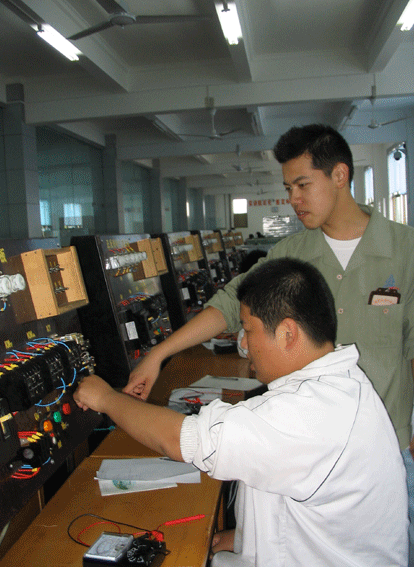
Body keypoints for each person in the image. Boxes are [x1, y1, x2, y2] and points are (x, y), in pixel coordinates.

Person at [73, 258, 408, 566]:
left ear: (287, 334)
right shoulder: (342, 383)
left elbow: (182, 440)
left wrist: (106, 398)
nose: (244, 345)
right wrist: (248, 536)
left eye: (248, 330)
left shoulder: (311, 412)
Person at [124, 124, 414, 456]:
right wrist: (158, 355)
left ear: (339, 175)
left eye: (303, 185)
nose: (293, 199)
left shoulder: (405, 250)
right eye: (288, 188)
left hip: (385, 442)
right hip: (309, 444)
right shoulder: (291, 254)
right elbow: (231, 302)